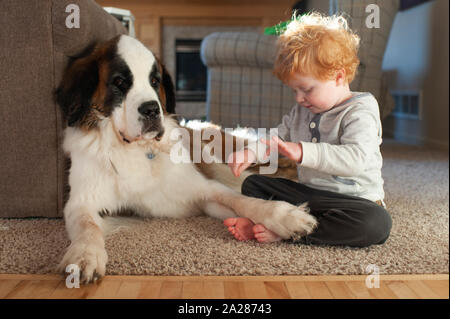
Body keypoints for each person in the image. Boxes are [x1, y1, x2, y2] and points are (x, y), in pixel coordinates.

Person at [224, 13, 392, 247]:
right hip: (308, 196)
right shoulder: (302, 111)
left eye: (307, 89)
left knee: (376, 224)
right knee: (252, 184)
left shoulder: (361, 109)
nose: (300, 99)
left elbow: (356, 159)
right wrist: (251, 152)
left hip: (352, 202)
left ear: (338, 76)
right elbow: (276, 138)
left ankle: (288, 231)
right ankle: (282, 220)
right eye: (294, 91)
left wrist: (303, 152)